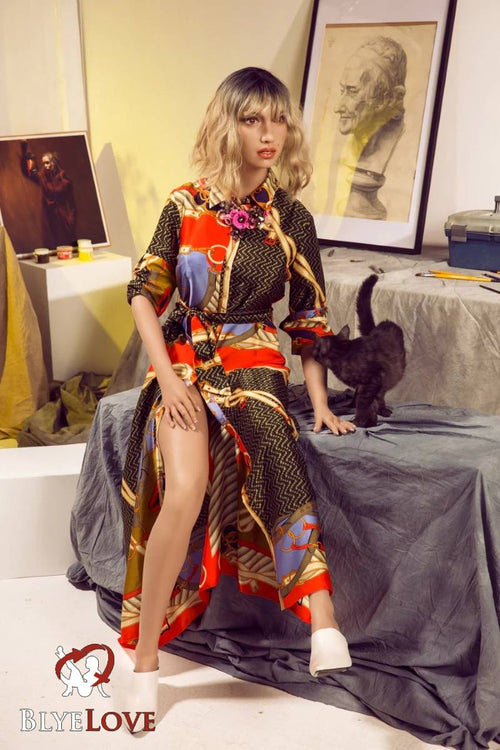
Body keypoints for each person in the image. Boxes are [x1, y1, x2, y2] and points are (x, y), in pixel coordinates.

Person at [120, 67, 355, 726]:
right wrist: (166, 376)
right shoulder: (185, 204)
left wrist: (321, 402)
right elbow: (143, 291)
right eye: (252, 120)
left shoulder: (292, 218)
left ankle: (323, 622)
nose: (268, 134)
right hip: (184, 356)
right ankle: (144, 662)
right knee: (185, 485)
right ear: (229, 126)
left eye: (277, 120)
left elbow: (309, 320)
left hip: (254, 357)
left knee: (277, 440)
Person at [333, 36, 407, 220]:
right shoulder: (355, 140)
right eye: (342, 91)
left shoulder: (406, 145)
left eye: (353, 91)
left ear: (391, 97)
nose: (338, 107)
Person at [21, 143, 77, 247]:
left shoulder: (65, 180)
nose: (46, 166)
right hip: (49, 217)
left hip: (63, 217)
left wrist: (71, 219)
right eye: (44, 163)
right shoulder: (42, 176)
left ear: (54, 162)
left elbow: (72, 203)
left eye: (47, 163)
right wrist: (26, 154)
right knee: (52, 244)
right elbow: (29, 173)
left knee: (66, 243)